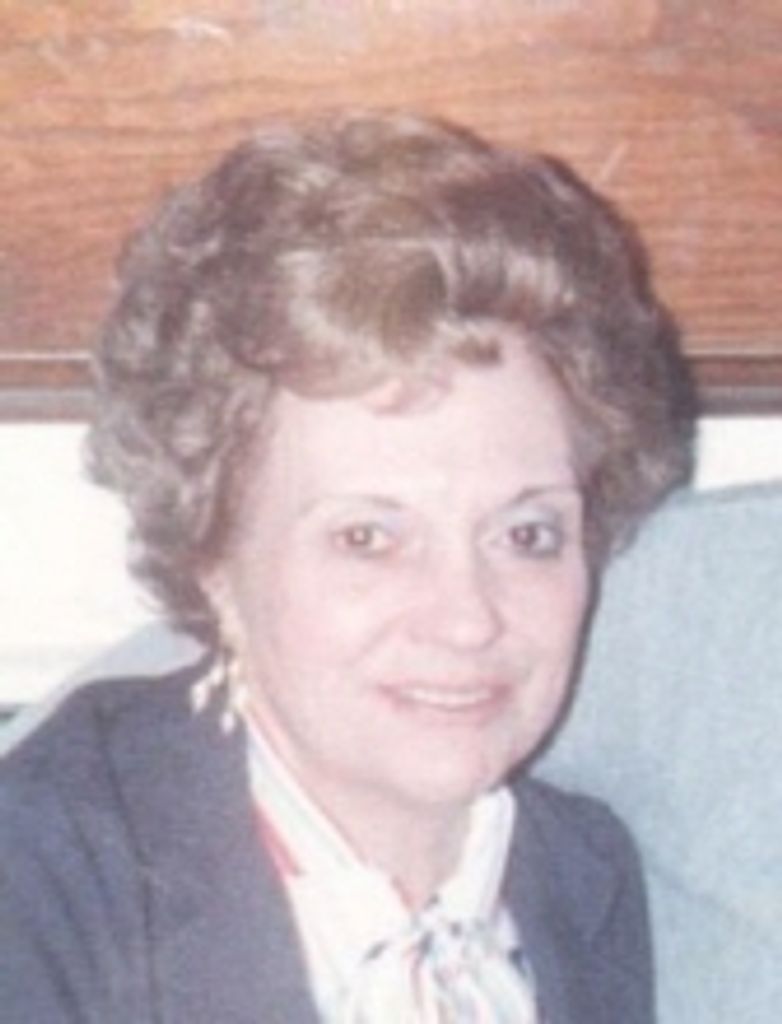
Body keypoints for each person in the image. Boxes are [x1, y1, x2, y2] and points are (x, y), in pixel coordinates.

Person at [0, 109, 693, 1023]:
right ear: (214, 554)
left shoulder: (585, 882)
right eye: (369, 538)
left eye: (527, 534)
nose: (467, 618)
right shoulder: (47, 881)